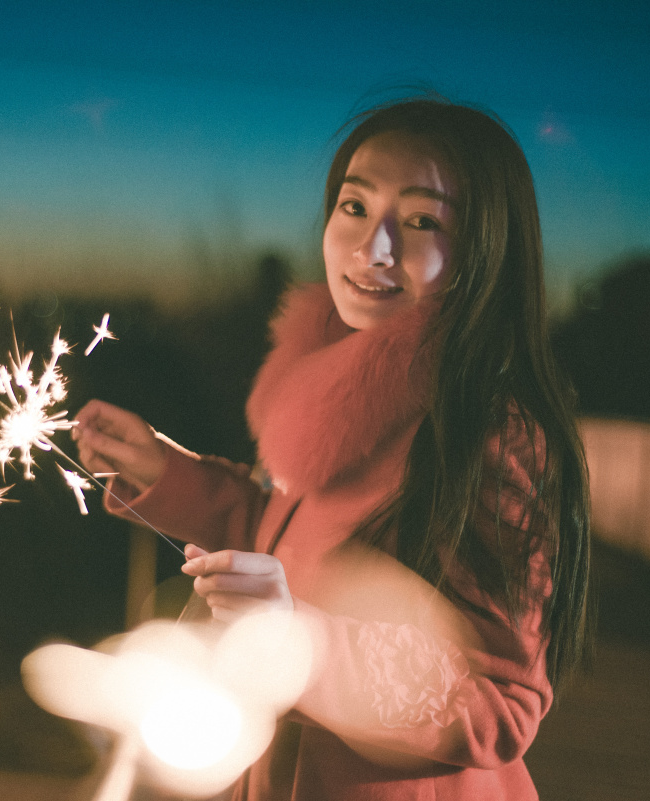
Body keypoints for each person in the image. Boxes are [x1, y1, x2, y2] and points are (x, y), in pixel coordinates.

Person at [71, 97, 591, 801]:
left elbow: (501, 701)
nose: (372, 247)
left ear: (483, 251)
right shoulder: (332, 386)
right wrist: (170, 474)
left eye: (419, 221)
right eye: (353, 207)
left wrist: (298, 643)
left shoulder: (487, 432)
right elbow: (295, 547)